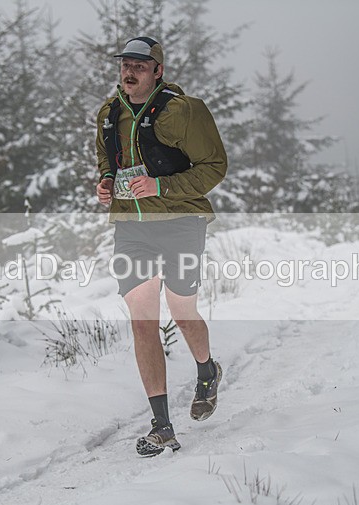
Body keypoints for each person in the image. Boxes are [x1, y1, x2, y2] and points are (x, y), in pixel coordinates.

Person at [94, 36, 228, 456]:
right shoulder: (108, 113)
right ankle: (163, 425)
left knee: (182, 311)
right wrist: (103, 184)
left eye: (139, 65)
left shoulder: (185, 111)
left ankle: (207, 370)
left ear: (158, 71)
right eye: (125, 65)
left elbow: (215, 166)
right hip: (131, 227)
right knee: (142, 320)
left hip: (181, 223)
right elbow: (107, 160)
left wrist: (161, 185)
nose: (129, 72)